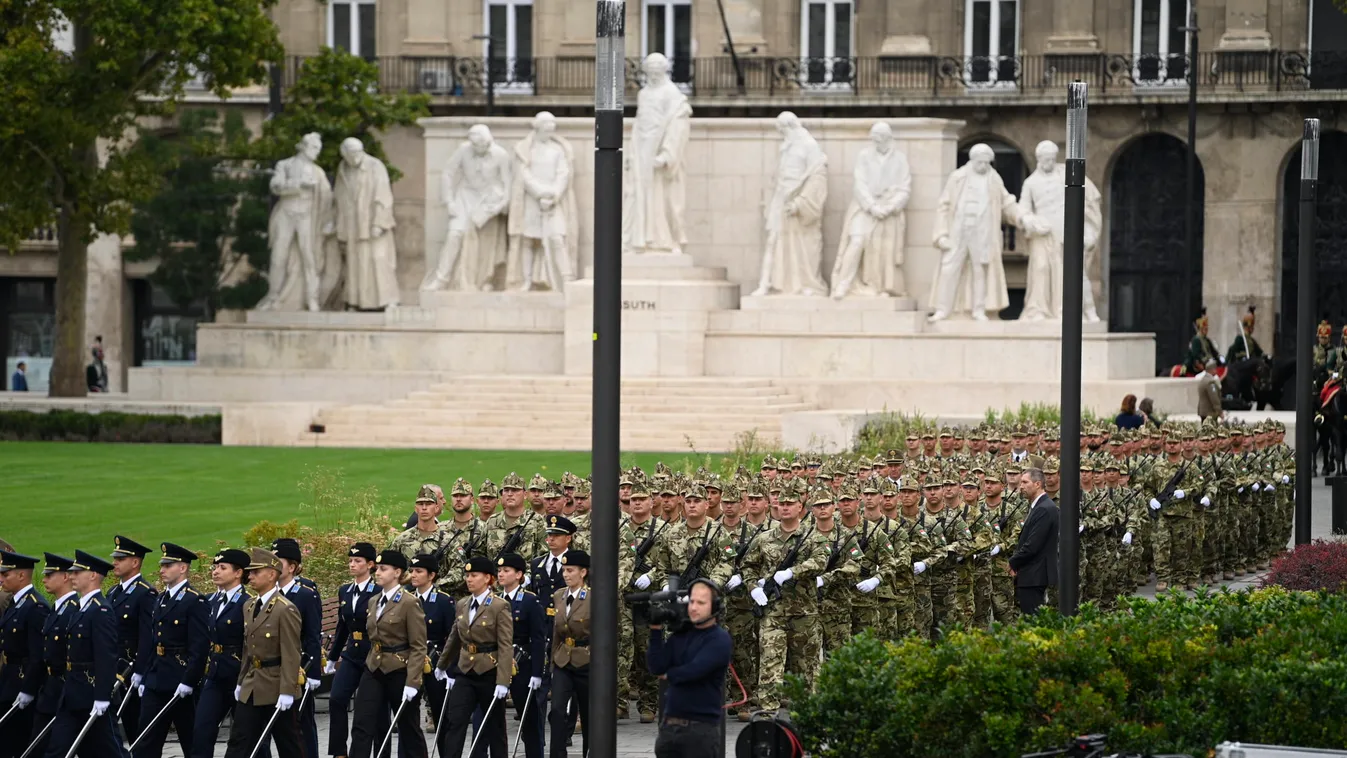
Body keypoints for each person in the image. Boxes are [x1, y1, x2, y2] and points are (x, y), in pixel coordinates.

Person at [43, 550, 128, 758]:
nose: (71, 576)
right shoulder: (81, 608)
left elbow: (106, 656)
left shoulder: (100, 611)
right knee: (57, 748)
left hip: (92, 694)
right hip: (72, 691)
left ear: (93, 575)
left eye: (77, 572)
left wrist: (102, 696)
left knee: (109, 751)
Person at [223, 548, 304, 758]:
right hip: (252, 684)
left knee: (289, 744)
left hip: (276, 685)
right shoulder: (249, 606)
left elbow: (291, 653)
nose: (250, 576)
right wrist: (241, 681)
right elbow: (247, 649)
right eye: (250, 572)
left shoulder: (285, 609)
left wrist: (288, 690)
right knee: (239, 740)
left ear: (271, 574)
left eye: (255, 572)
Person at [133, 542, 208, 758]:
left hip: (180, 679)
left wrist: (189, 680)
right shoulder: (161, 598)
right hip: (157, 677)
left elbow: (199, 647)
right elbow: (154, 641)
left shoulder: (195, 600)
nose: (162, 570)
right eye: (162, 565)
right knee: (145, 739)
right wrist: (146, 675)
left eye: (168, 565)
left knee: (191, 740)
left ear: (183, 568)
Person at [433, 556, 513, 758]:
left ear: (487, 578)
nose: (469, 579)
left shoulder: (499, 606)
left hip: (489, 670)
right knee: (455, 720)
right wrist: (442, 664)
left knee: (495, 726)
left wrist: (503, 680)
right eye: (467, 575)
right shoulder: (463, 604)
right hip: (465, 670)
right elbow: (455, 636)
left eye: (474, 575)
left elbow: (505, 645)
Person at [349, 550, 427, 758]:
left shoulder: (409, 602)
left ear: (397, 572)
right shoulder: (374, 601)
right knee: (362, 723)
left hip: (399, 668)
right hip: (374, 666)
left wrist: (413, 682)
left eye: (384, 569)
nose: (378, 573)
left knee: (409, 727)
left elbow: (418, 646)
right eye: (378, 569)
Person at [647, 579, 732, 758]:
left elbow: (696, 670)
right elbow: (657, 666)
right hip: (669, 727)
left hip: (700, 730)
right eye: (692, 601)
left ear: (714, 607)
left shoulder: (719, 639)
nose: (694, 607)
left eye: (701, 603)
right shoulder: (681, 636)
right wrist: (655, 629)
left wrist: (669, 674)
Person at [191, 549, 251, 758]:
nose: (215, 572)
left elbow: (251, 643)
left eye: (222, 568)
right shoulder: (210, 601)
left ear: (238, 573)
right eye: (214, 567)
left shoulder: (248, 603)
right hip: (215, 673)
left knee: (246, 735)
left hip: (238, 673)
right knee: (202, 729)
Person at [486, 553, 546, 758]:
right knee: (494, 717)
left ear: (519, 574)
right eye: (499, 571)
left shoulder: (529, 600)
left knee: (529, 718)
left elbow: (538, 638)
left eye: (506, 571)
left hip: (522, 664)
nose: (501, 574)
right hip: (498, 663)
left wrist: (538, 672)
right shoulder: (493, 600)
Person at [325, 542, 380, 758]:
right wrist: (333, 657)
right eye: (350, 561)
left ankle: (379, 751)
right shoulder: (345, 590)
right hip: (351, 654)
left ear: (370, 565)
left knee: (373, 708)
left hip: (372, 653)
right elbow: (342, 625)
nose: (352, 564)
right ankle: (339, 752)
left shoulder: (378, 591)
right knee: (337, 698)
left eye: (358, 561)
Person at [272, 537, 322, 758]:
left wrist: (313, 673)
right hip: (272, 666)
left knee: (302, 721)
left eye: (278, 561)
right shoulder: (268, 594)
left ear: (291, 566)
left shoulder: (304, 594)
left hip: (299, 666)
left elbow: (312, 634)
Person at [109, 535, 158, 741]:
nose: (114, 563)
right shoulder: (113, 592)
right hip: (113, 665)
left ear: (135, 562)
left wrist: (140, 671)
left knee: (134, 725)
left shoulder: (145, 594)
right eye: (115, 558)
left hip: (130, 668)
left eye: (120, 559)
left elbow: (148, 636)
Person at [0, 551, 50, 753]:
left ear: (21, 575)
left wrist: (28, 689)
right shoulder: (15, 603)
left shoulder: (35, 606)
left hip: (22, 682)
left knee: (21, 742)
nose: (1, 579)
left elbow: (38, 655)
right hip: (9, 680)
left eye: (6, 574)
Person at [548, 550, 591, 758]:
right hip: (563, 660)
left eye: (571, 570)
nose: (566, 574)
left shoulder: (593, 597)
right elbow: (556, 632)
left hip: (587, 661)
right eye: (564, 570)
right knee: (556, 710)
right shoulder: (559, 595)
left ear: (583, 572)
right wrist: (552, 663)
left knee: (589, 716)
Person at [407, 554, 453, 754]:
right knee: (408, 715)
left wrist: (449, 667)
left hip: (435, 661)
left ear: (431, 575)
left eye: (419, 571)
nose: (413, 575)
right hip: (410, 661)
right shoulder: (406, 598)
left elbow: (452, 637)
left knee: (441, 713)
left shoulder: (443, 601)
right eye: (411, 571)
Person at [1008, 467, 1059, 615]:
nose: (1021, 486)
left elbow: (1033, 545)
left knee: (1033, 620)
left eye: (1025, 482)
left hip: (1034, 574)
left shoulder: (1044, 508)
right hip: (1032, 574)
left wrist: (1013, 562)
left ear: (1037, 484)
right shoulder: (1039, 506)